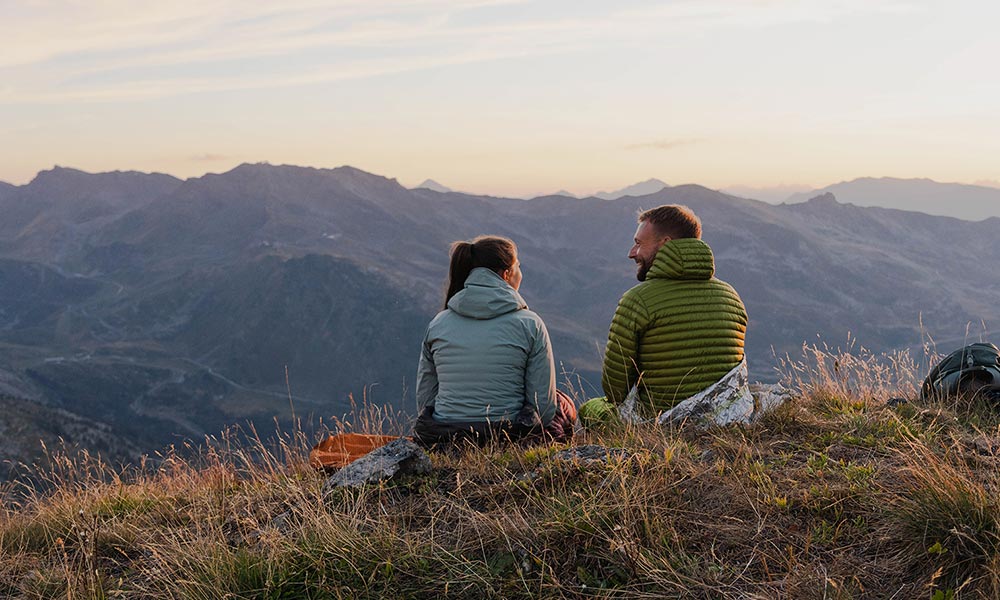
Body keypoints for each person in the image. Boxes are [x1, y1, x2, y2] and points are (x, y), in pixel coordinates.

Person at [579, 205, 748, 426]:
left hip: (663, 424)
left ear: (665, 243)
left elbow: (614, 391)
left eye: (639, 244)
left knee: (591, 409)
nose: (631, 252)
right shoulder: (731, 296)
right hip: (729, 417)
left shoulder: (637, 300)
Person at [413, 235, 576, 446]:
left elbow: (426, 401)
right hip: (509, 436)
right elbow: (543, 408)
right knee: (561, 402)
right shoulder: (530, 324)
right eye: (519, 267)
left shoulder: (438, 323)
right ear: (506, 274)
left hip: (445, 437)